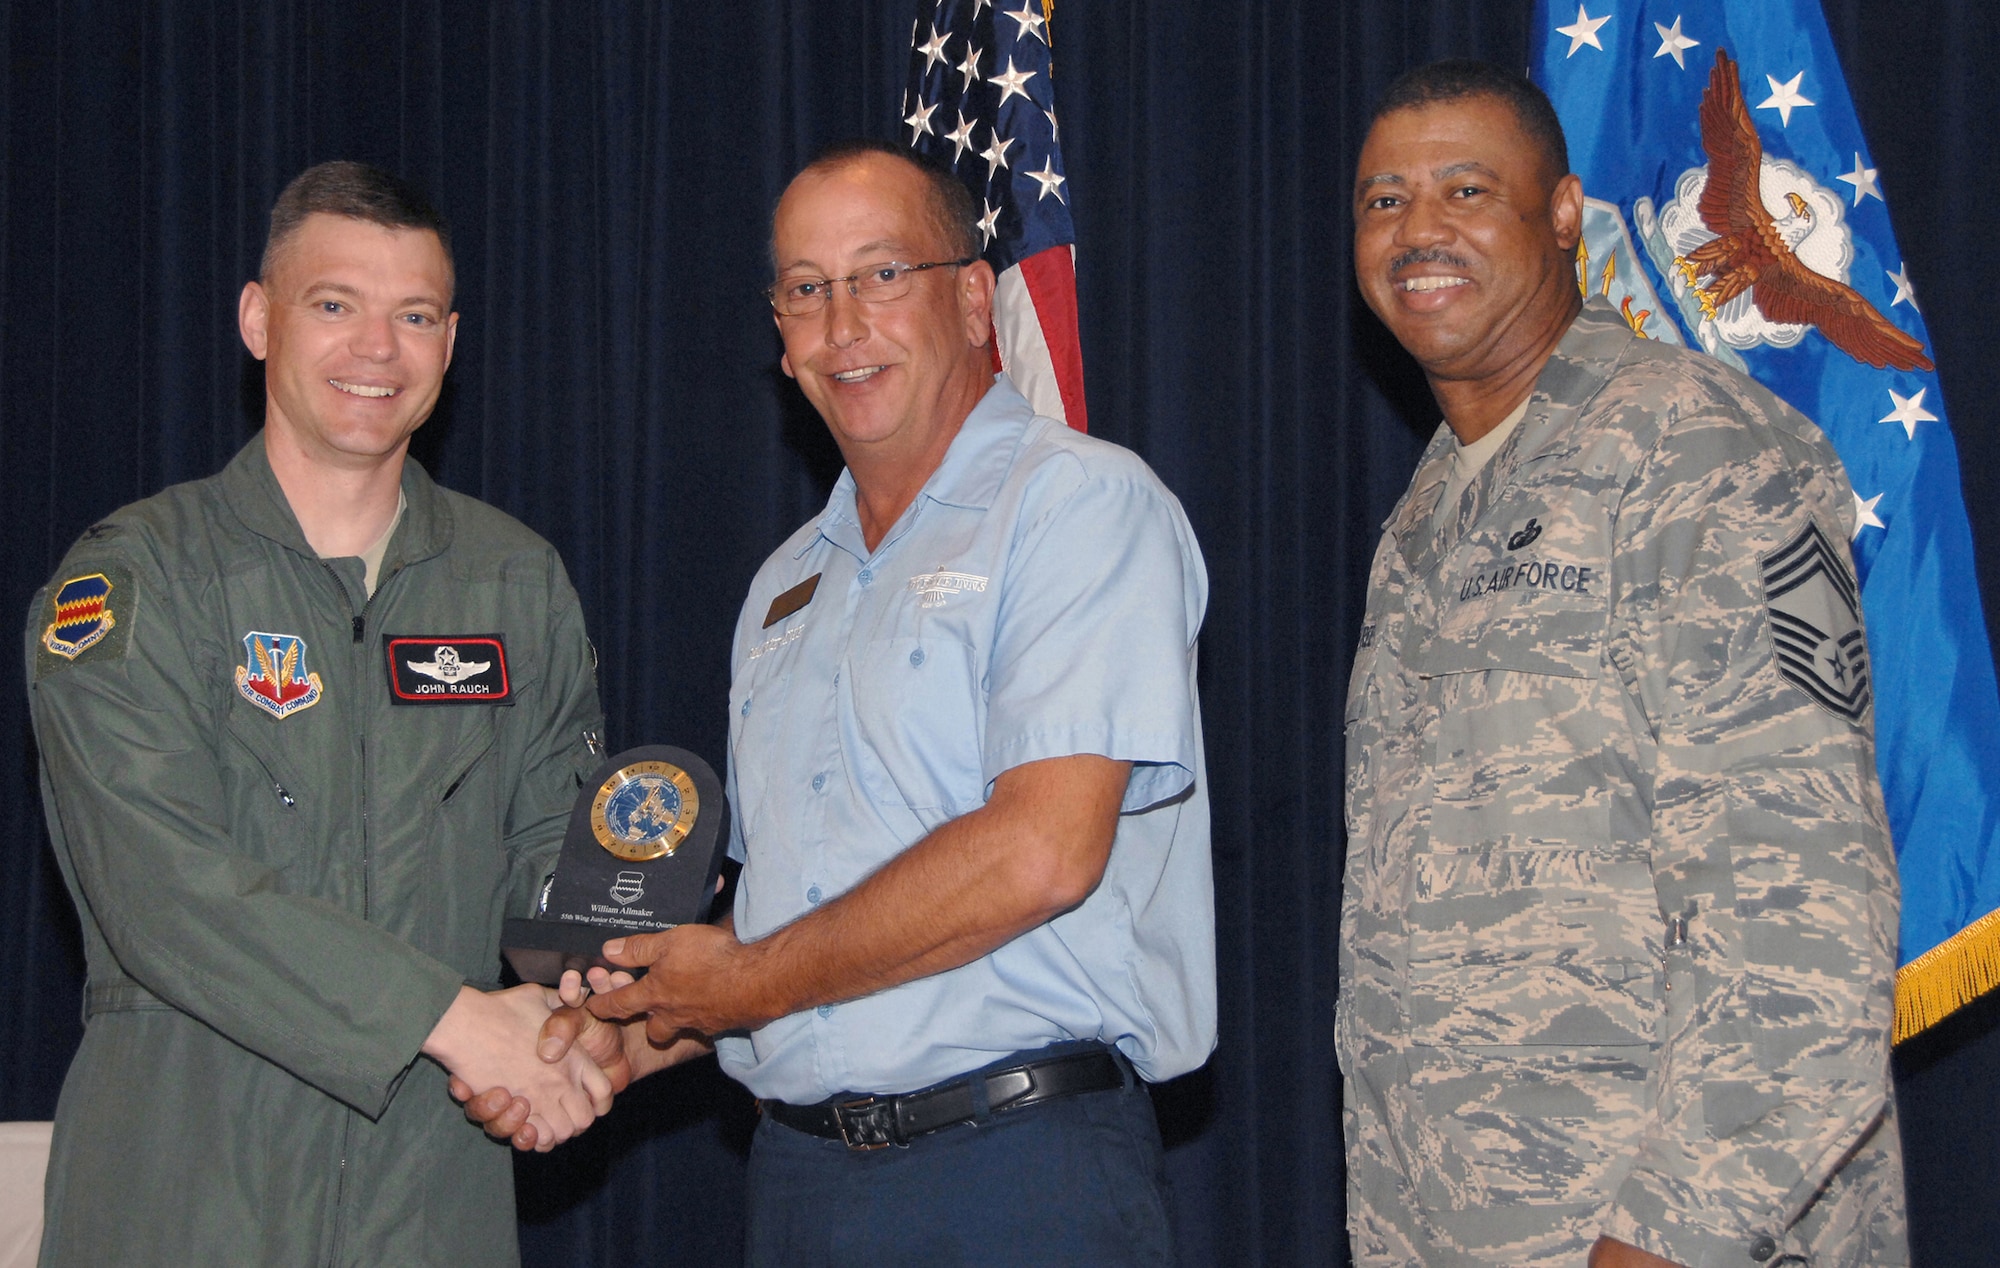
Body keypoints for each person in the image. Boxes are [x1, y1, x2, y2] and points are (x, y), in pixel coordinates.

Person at [463, 139, 1216, 1265]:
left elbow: (1041, 852)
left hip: (1018, 1175)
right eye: (805, 291)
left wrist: (743, 982)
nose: (841, 324)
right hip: (801, 1185)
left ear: (971, 298)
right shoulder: (782, 586)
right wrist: (630, 1033)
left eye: (879, 276)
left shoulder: (1079, 506)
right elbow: (785, 912)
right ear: (778, 332)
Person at [1337, 59, 1907, 1268]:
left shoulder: (1700, 453)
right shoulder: (1425, 516)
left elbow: (1800, 926)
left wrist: (1661, 1239)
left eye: (1463, 190)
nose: (1416, 229)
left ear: (1559, 216)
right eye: (1382, 200)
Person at [24, 161, 616, 1266]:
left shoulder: (512, 581)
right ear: (259, 319)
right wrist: (457, 1018)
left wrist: (609, 971)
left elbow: (552, 856)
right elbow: (166, 892)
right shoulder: (136, 579)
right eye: (334, 304)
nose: (376, 349)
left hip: (433, 1200)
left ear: (450, 339)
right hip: (184, 1195)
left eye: (415, 314)